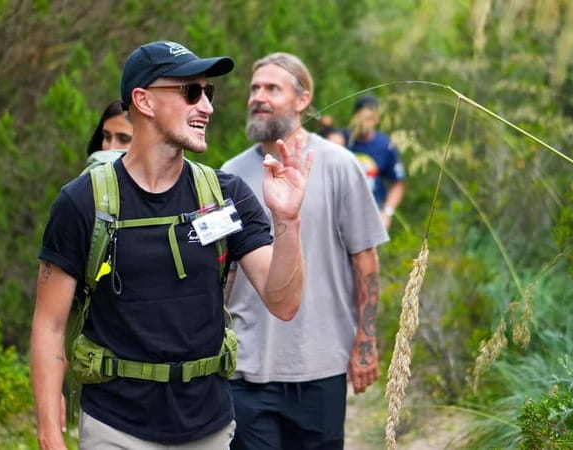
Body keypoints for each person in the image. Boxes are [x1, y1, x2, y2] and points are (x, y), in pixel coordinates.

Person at [30, 40, 312, 449]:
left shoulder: (227, 195)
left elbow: (283, 303)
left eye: (208, 92)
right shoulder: (82, 202)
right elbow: (50, 325)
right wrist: (49, 431)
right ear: (143, 100)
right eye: (191, 92)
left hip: (209, 427)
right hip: (114, 427)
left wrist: (287, 220)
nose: (207, 107)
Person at [221, 52, 389, 449]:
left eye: (271, 88)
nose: (258, 97)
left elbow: (365, 259)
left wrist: (365, 341)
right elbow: (225, 271)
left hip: (320, 364)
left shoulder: (339, 165)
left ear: (302, 99)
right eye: (254, 89)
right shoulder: (230, 175)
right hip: (246, 367)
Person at [345, 95, 406, 229]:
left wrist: (387, 212)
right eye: (363, 117)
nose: (366, 122)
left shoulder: (385, 145)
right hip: (343, 213)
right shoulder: (343, 140)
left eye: (371, 118)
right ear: (355, 116)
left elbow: (398, 183)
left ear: (377, 118)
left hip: (372, 215)